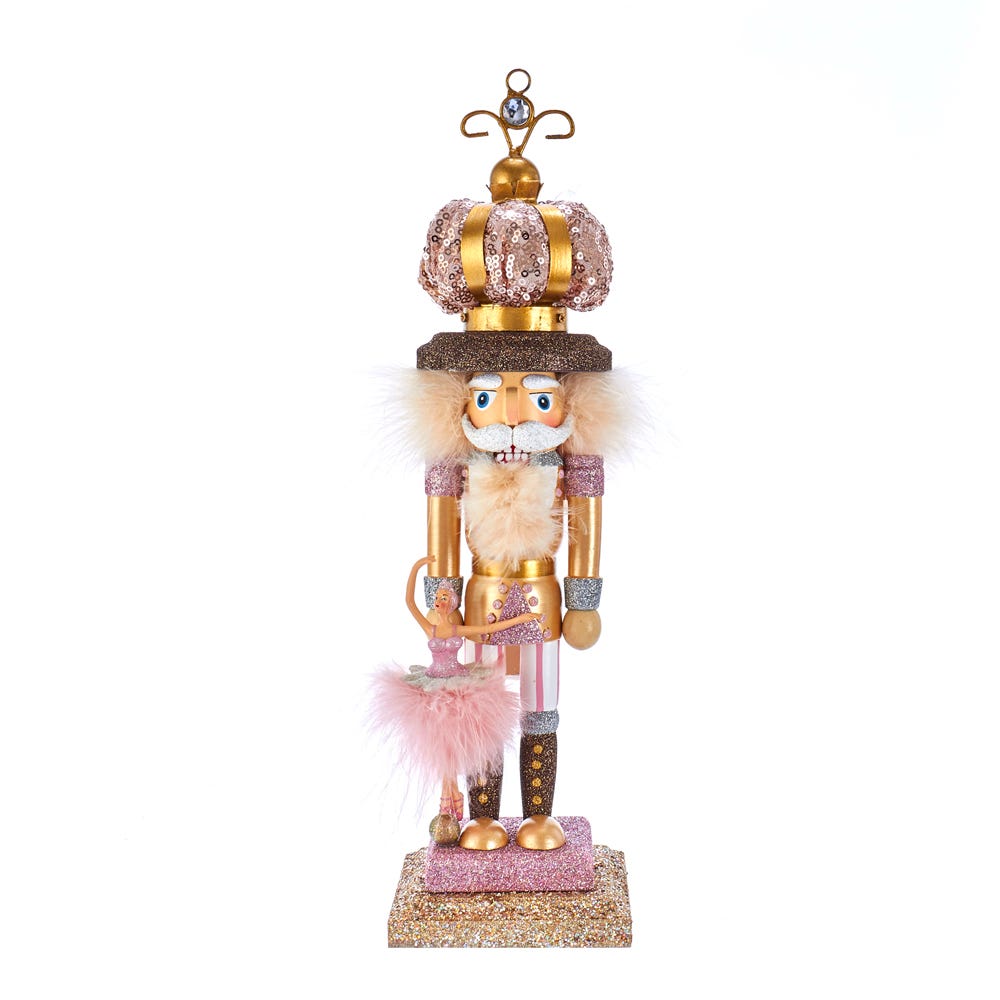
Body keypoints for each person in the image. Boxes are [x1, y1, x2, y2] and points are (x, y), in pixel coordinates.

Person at [369, 557, 540, 839]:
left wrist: (522, 619)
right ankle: (450, 795)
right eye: (437, 597)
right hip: (434, 683)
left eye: (444, 597)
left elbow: (488, 630)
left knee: (454, 741)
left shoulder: (457, 629)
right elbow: (409, 602)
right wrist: (417, 567)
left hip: (458, 682)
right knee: (441, 742)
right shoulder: (431, 628)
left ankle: (451, 797)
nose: (439, 601)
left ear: (452, 603)